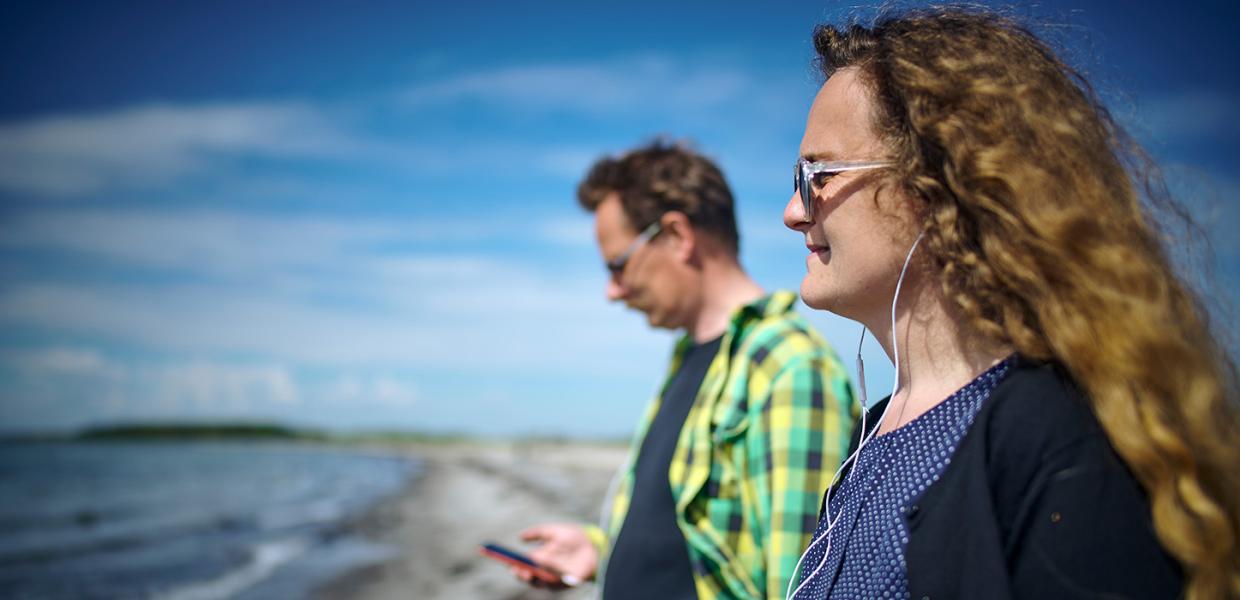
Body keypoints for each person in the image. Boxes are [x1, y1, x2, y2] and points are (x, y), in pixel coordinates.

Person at [782, 7, 1239, 600]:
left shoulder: (1063, 436)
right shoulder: (876, 433)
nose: (795, 212)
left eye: (817, 174)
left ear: (937, 184)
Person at [514, 141, 855, 599]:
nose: (612, 291)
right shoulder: (691, 357)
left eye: (618, 266)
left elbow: (797, 584)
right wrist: (600, 551)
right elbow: (690, 541)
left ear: (677, 235)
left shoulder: (789, 369)